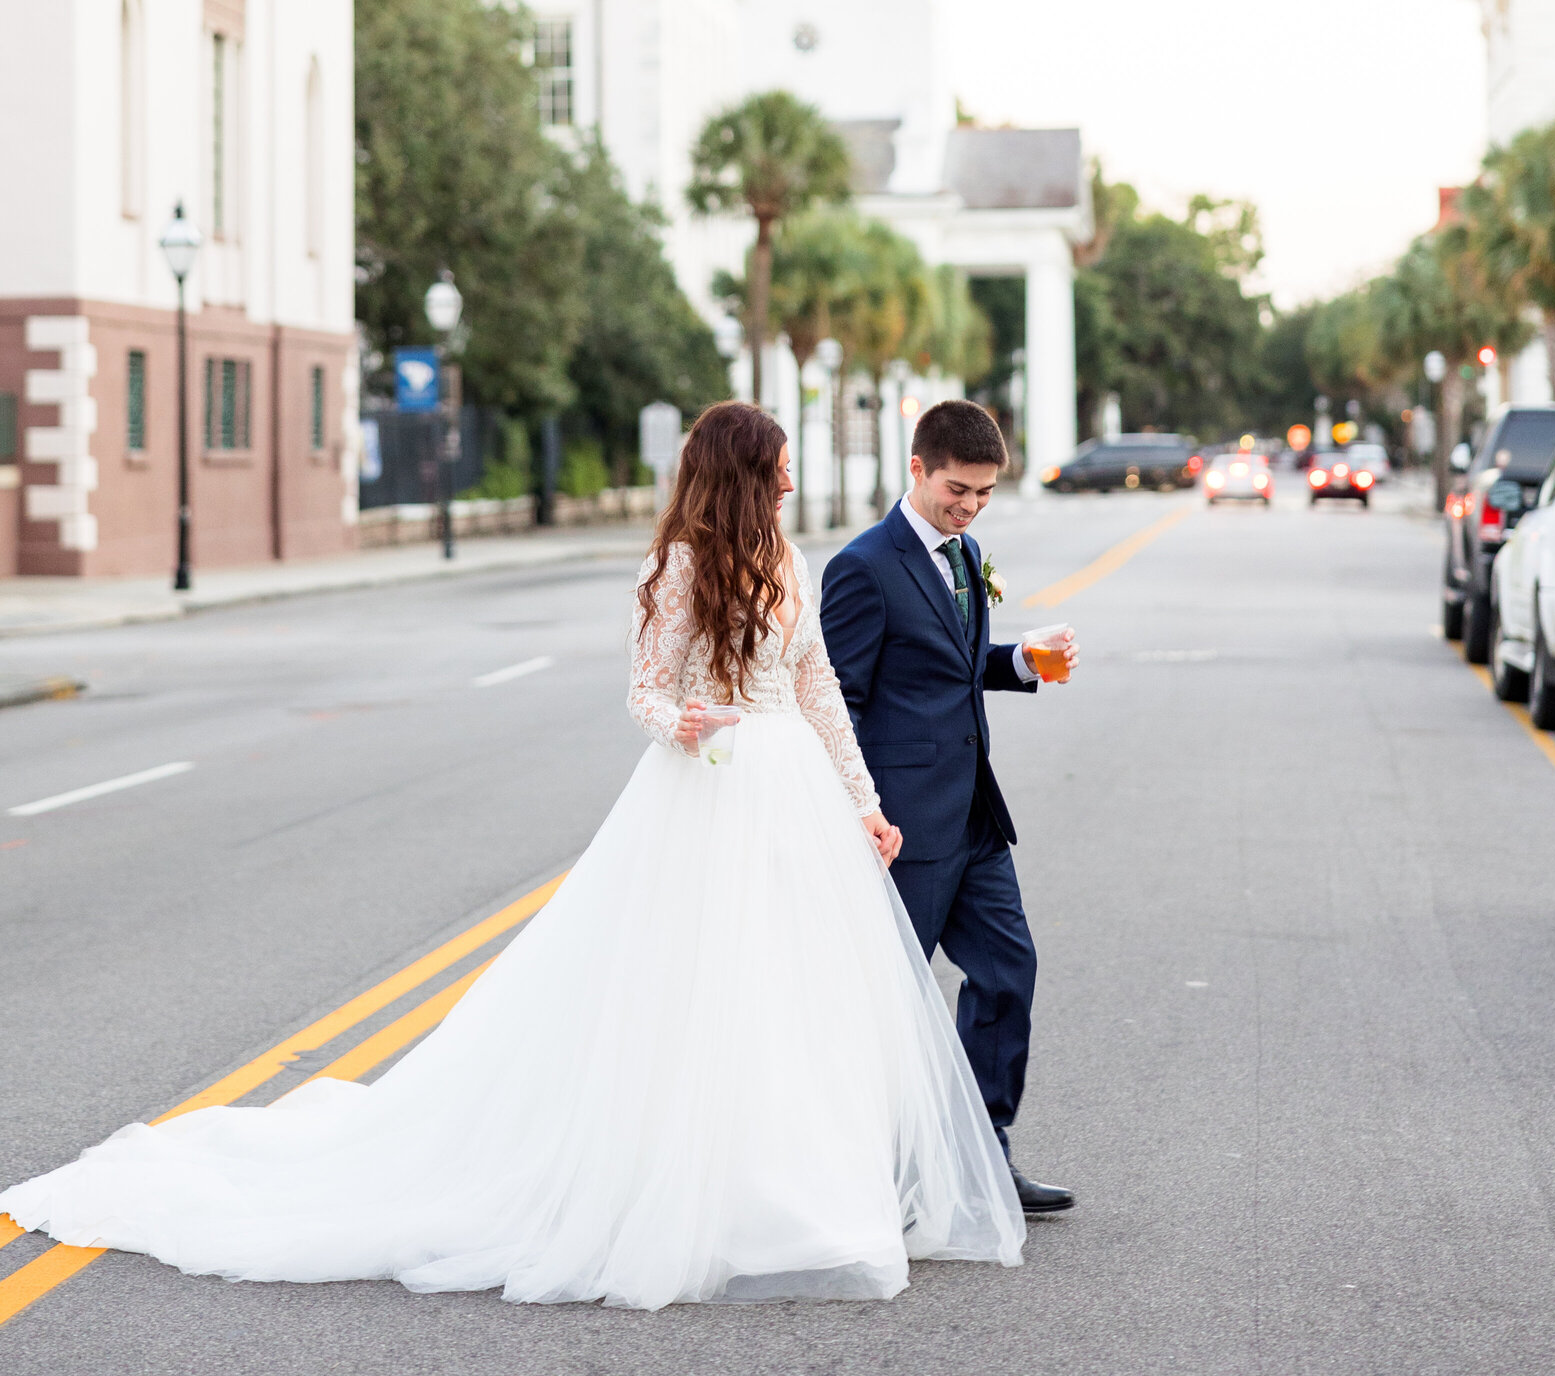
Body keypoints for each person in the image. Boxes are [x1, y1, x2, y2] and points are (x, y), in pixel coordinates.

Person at [0, 401, 1022, 1311]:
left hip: (791, 789)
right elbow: (644, 694)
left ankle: (800, 1183)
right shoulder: (673, 568)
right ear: (746, 471)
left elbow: (818, 693)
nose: (796, 474)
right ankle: (690, 1186)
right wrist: (687, 726)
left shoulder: (791, 564)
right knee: (699, 995)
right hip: (708, 789)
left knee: (796, 996)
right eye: (784, 461)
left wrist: (863, 802)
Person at [821, 399, 1076, 1214]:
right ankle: (870, 1170)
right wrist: (859, 812)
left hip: (973, 817)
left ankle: (980, 1154)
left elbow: (951, 672)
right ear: (918, 470)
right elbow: (837, 703)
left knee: (1009, 974)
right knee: (891, 1004)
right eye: (957, 490)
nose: (968, 507)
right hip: (904, 827)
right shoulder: (863, 567)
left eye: (984, 494)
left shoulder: (964, 556)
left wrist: (1021, 663)